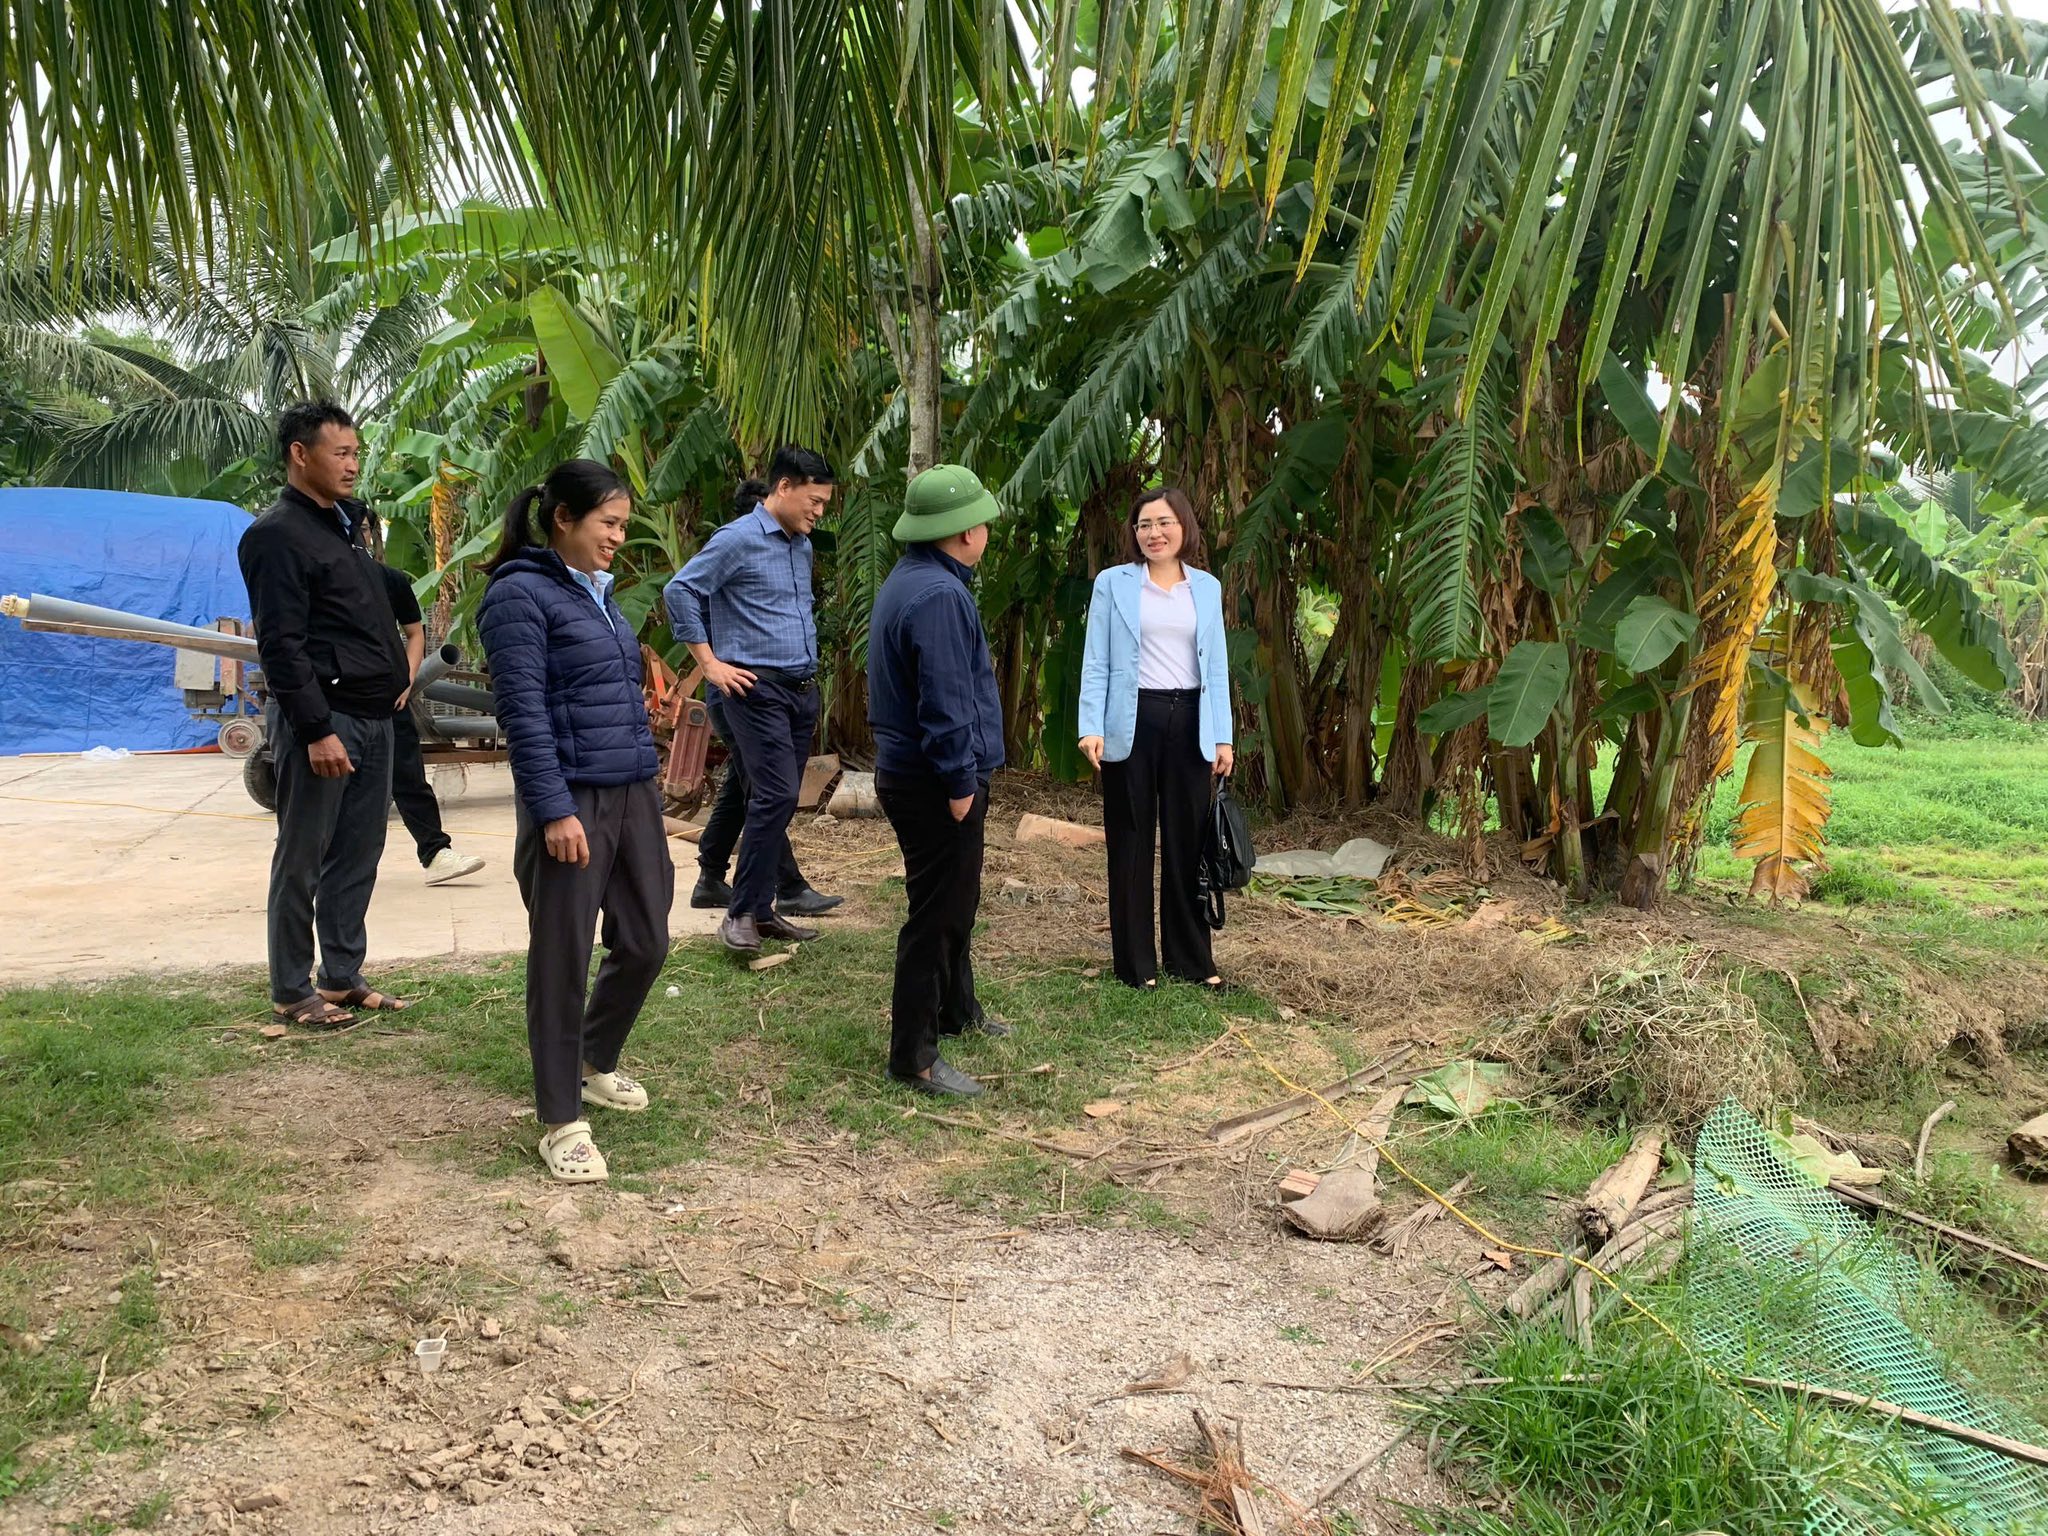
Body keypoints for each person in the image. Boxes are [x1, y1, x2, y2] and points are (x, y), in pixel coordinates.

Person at [478, 461, 672, 1183]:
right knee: (562, 959)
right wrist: (554, 809)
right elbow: (523, 714)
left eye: (622, 525)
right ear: (563, 518)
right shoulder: (518, 595)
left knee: (646, 939)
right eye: (608, 524)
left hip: (632, 790)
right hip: (570, 800)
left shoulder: (598, 594)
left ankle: (592, 1060)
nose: (618, 537)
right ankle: (561, 1120)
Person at [239, 400, 413, 1030]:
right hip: (326, 720)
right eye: (340, 452)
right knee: (303, 856)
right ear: (299, 454)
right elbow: (281, 644)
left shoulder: (344, 528)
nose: (352, 464)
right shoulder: (276, 535)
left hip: (373, 717)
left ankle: (340, 976)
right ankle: (291, 988)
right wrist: (315, 729)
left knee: (360, 850)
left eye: (356, 453)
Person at [868, 464, 1011, 1099]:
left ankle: (958, 1009)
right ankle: (914, 1057)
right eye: (982, 523)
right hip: (934, 780)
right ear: (964, 532)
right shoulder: (939, 597)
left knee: (955, 902)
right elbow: (946, 701)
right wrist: (959, 784)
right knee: (937, 915)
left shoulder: (915, 579)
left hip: (917, 773)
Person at [663, 447, 835, 956]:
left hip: (799, 691)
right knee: (775, 794)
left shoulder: (800, 545)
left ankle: (760, 910)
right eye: (814, 500)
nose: (818, 511)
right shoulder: (737, 538)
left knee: (774, 795)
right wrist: (710, 664)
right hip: (753, 689)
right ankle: (741, 913)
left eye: (824, 504)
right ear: (783, 487)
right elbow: (680, 591)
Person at [1077, 486, 1234, 993]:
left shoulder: (1206, 587)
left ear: (1183, 526)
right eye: (1144, 524)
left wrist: (1223, 737)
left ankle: (1190, 961)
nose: (1154, 533)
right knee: (1131, 839)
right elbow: (1096, 658)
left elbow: (1217, 667)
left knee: (1188, 843)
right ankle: (1135, 964)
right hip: (1132, 720)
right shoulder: (1113, 583)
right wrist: (1090, 726)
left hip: (1190, 720)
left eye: (1164, 522)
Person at [351, 505, 487, 886]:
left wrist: (408, 679)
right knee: (338, 788)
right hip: (338, 701)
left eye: (364, 528)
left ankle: (435, 852)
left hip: (389, 698)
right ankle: (317, 861)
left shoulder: (389, 580)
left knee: (409, 778)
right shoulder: (318, 577)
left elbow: (415, 633)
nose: (358, 535)